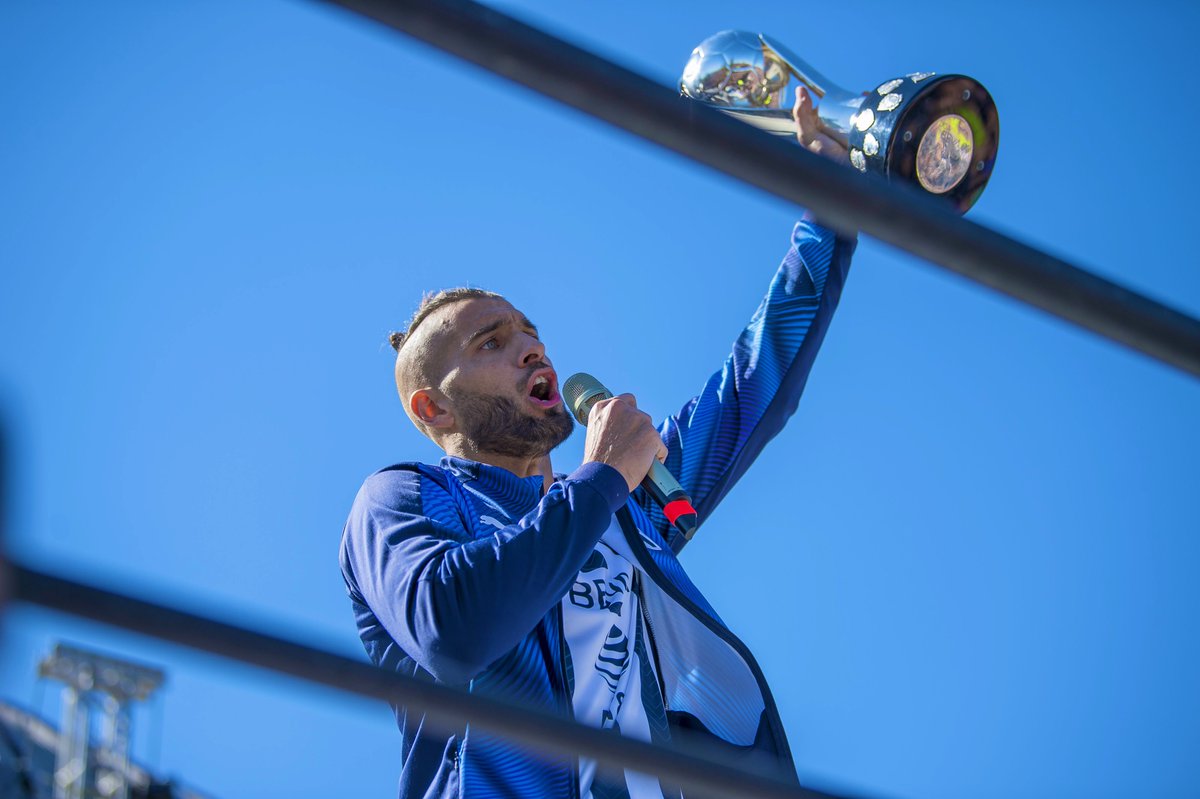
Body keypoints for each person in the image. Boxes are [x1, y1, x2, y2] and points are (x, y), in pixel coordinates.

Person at [339, 87, 856, 799]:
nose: (531, 349)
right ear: (433, 405)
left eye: (530, 332)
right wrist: (604, 477)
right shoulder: (407, 496)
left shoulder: (626, 503)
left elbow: (752, 385)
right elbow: (452, 625)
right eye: (492, 342)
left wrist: (827, 208)